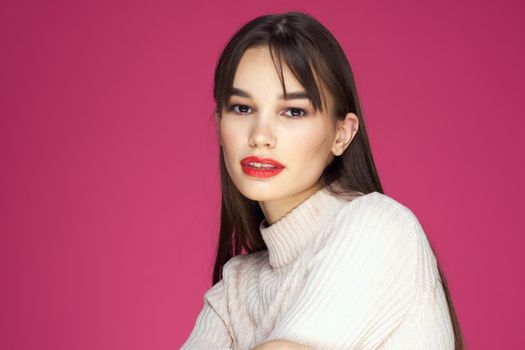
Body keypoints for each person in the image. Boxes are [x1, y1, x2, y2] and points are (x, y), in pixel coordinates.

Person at [181, 11, 464, 350]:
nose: (260, 136)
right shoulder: (235, 289)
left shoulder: (380, 226)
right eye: (242, 108)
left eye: (294, 111)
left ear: (342, 135)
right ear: (219, 125)